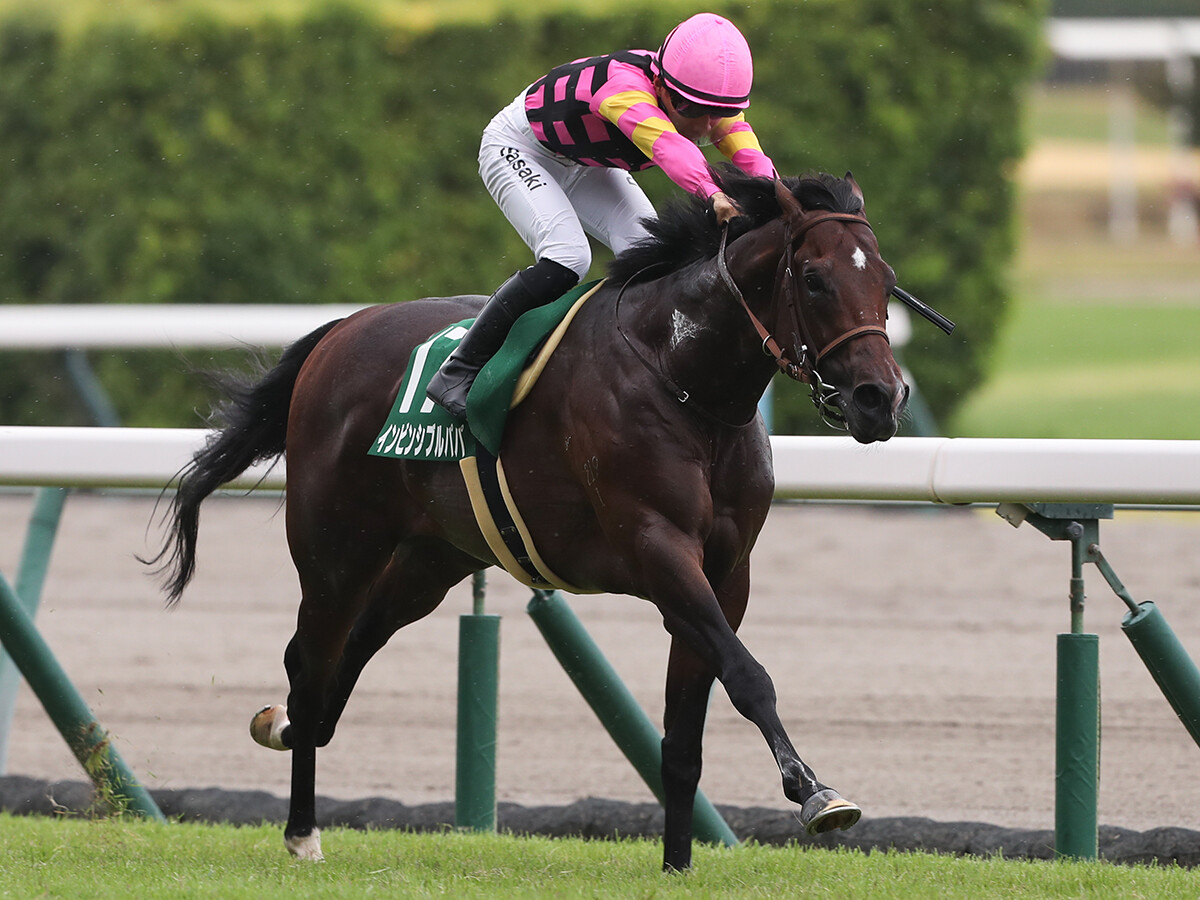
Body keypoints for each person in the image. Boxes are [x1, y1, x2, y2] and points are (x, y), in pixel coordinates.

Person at [426, 12, 778, 418]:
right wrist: (712, 194)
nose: (706, 125)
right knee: (568, 257)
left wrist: (783, 197)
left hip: (584, 161)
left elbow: (751, 157)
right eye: (694, 110)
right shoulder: (624, 89)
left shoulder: (700, 102)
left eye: (718, 112)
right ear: (663, 87)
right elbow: (669, 148)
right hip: (519, 148)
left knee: (654, 258)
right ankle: (459, 368)